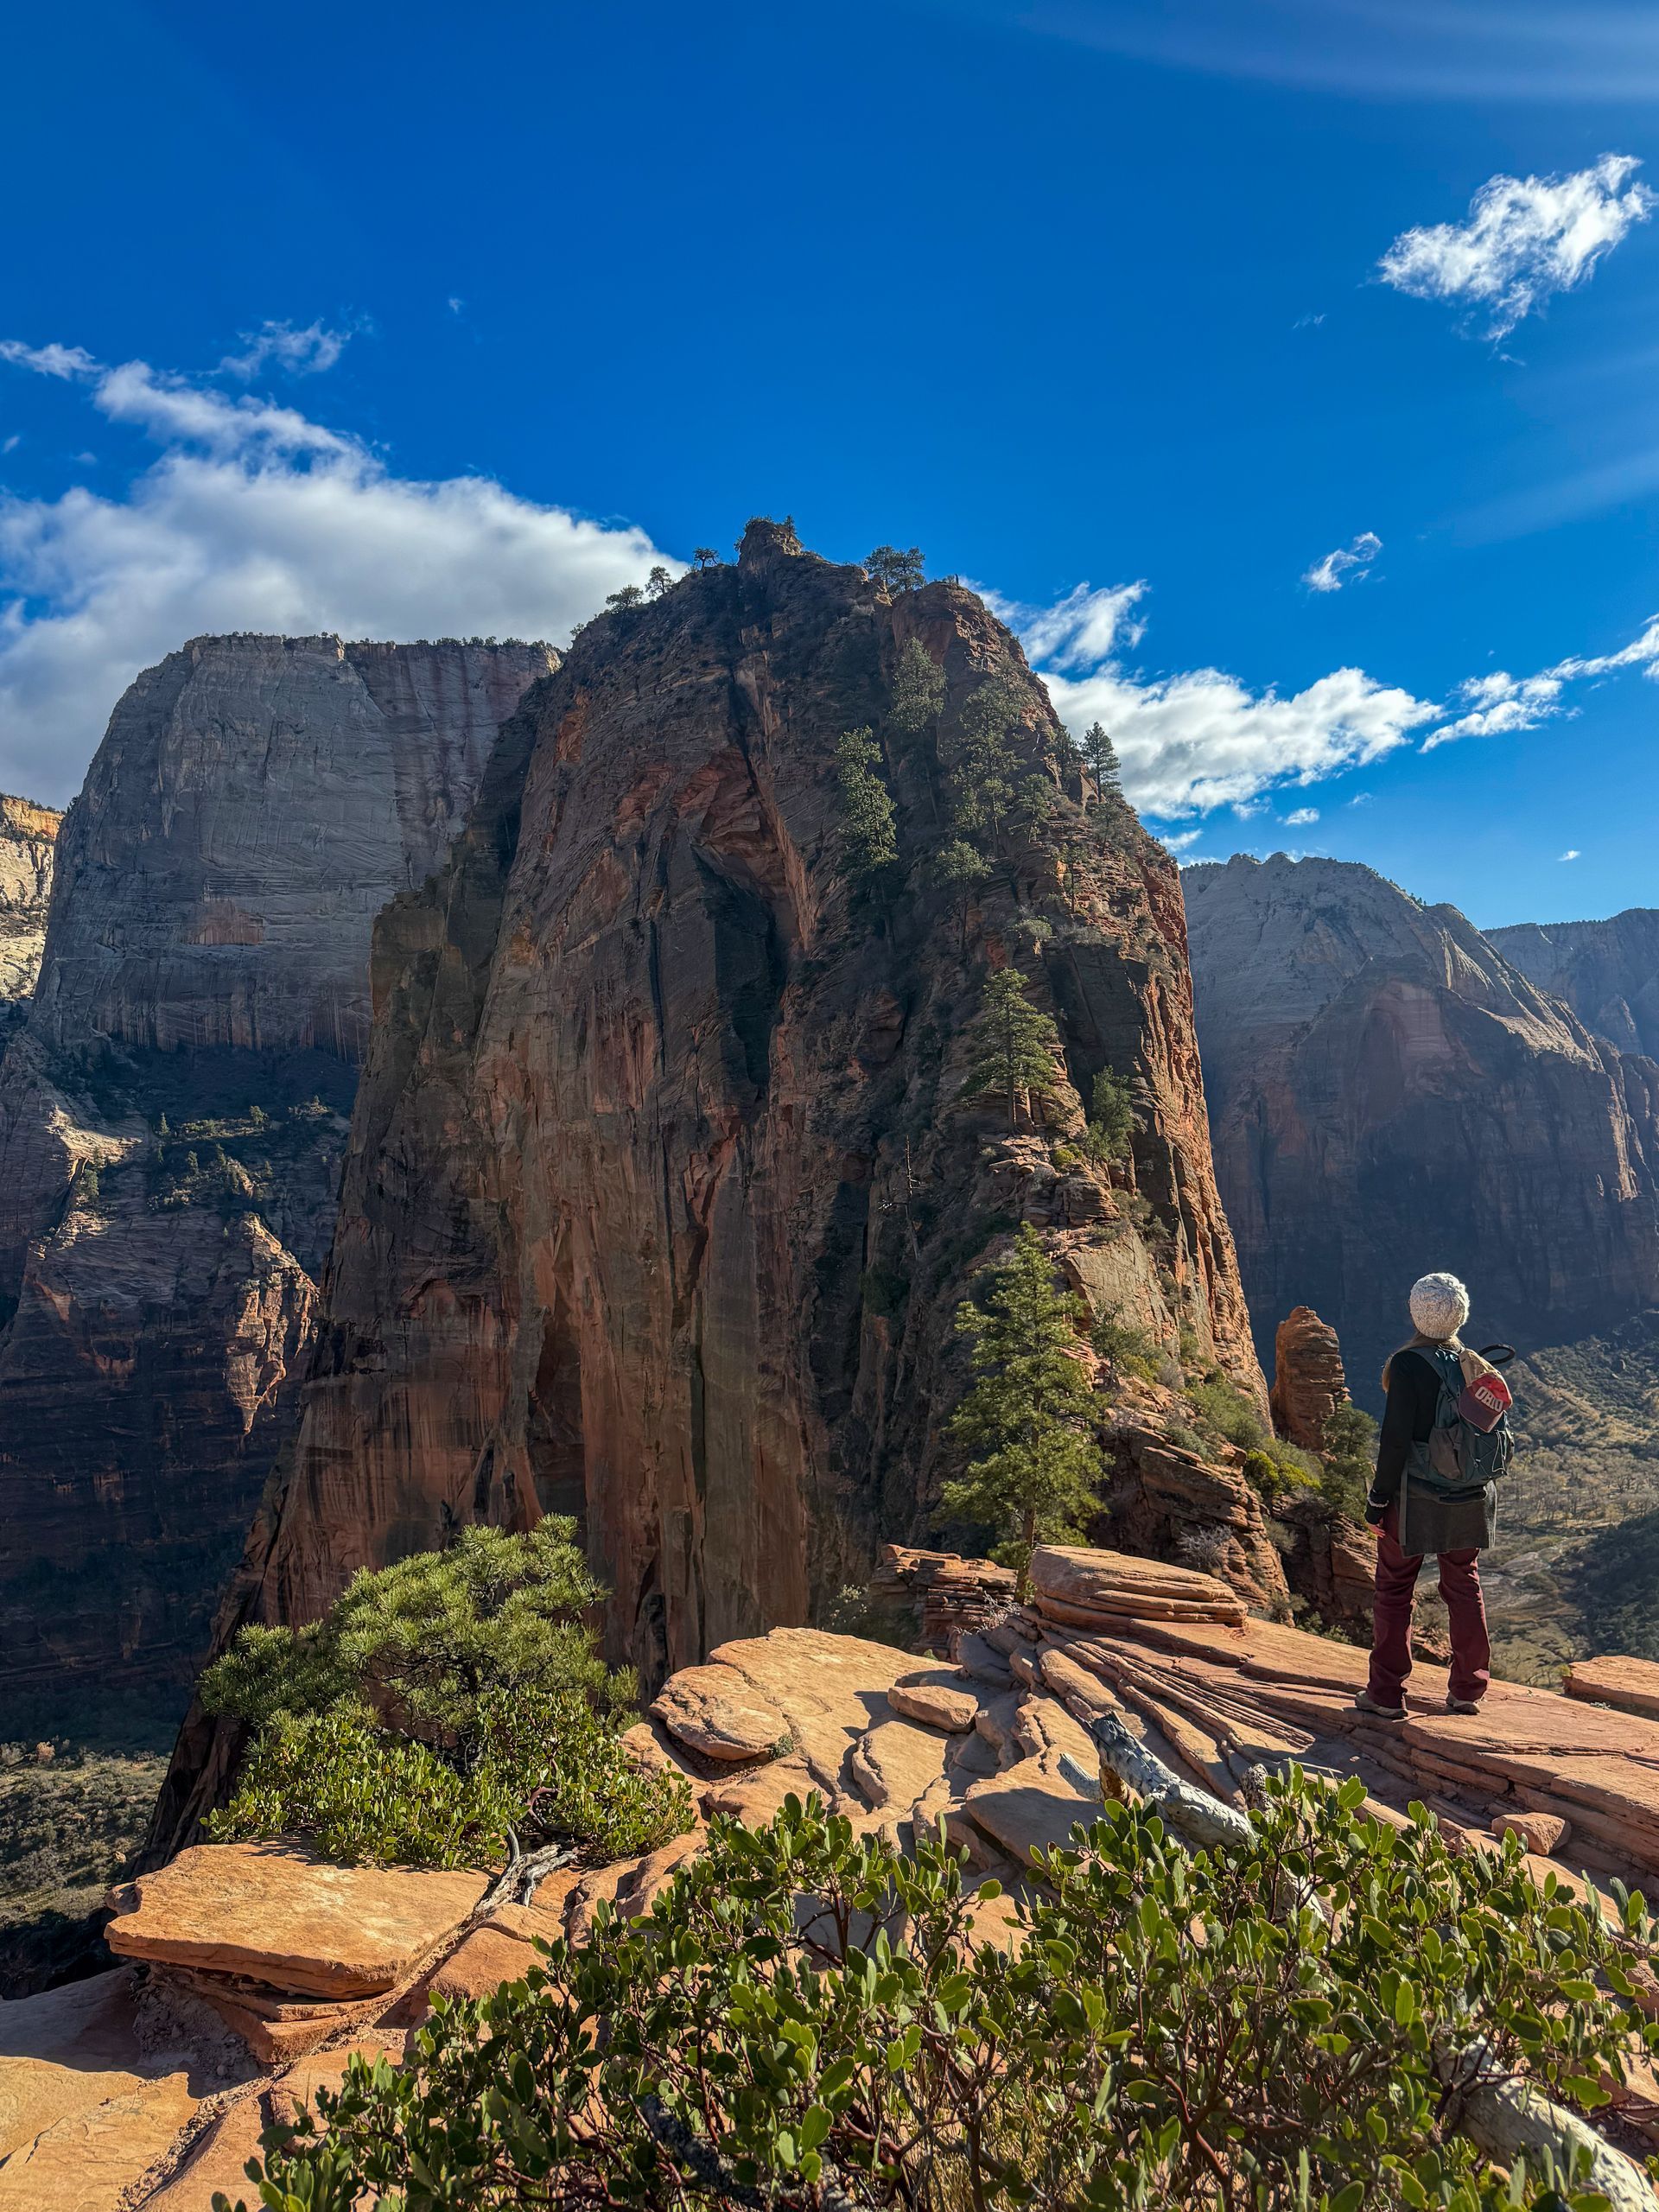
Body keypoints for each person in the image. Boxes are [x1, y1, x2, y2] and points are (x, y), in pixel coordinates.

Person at [1354, 1271, 1496, 1722]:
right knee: (1463, 1584)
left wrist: (1377, 1501)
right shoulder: (1474, 1364)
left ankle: (1386, 1695)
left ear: (1417, 1312)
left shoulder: (1407, 1365)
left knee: (1395, 1588)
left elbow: (1395, 1441)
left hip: (1413, 1495)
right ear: (1461, 1314)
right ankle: (1468, 1689)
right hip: (1469, 1493)